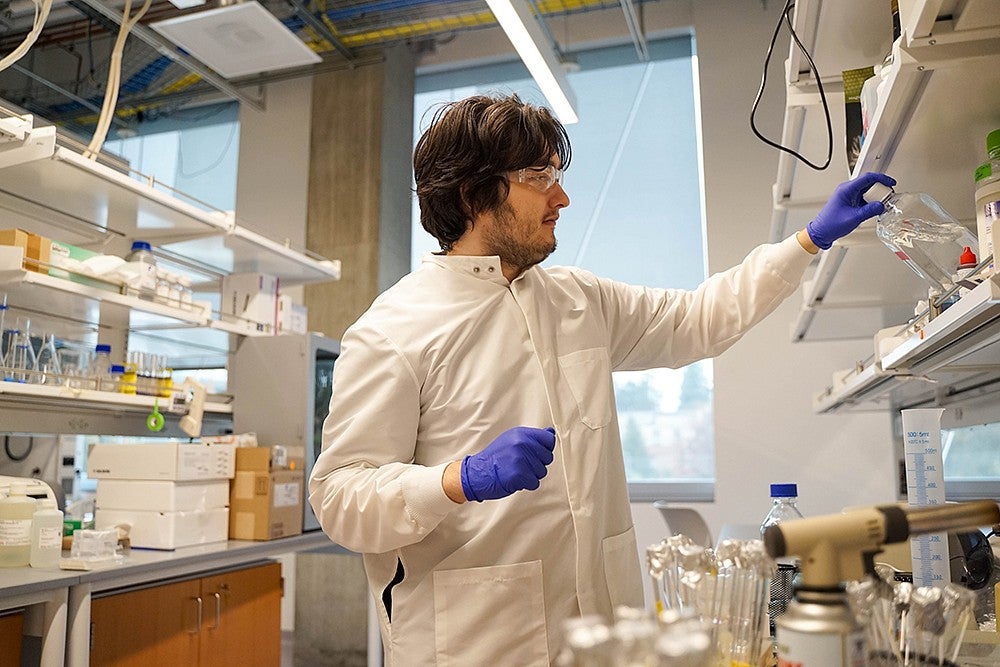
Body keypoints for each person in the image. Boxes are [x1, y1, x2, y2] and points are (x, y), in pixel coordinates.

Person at [308, 93, 894, 665]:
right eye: (539, 177)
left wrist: (807, 241)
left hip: (604, 631)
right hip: (480, 640)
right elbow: (338, 496)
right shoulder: (391, 331)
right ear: (472, 194)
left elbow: (699, 319)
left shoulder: (578, 298)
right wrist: (455, 479)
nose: (561, 196)